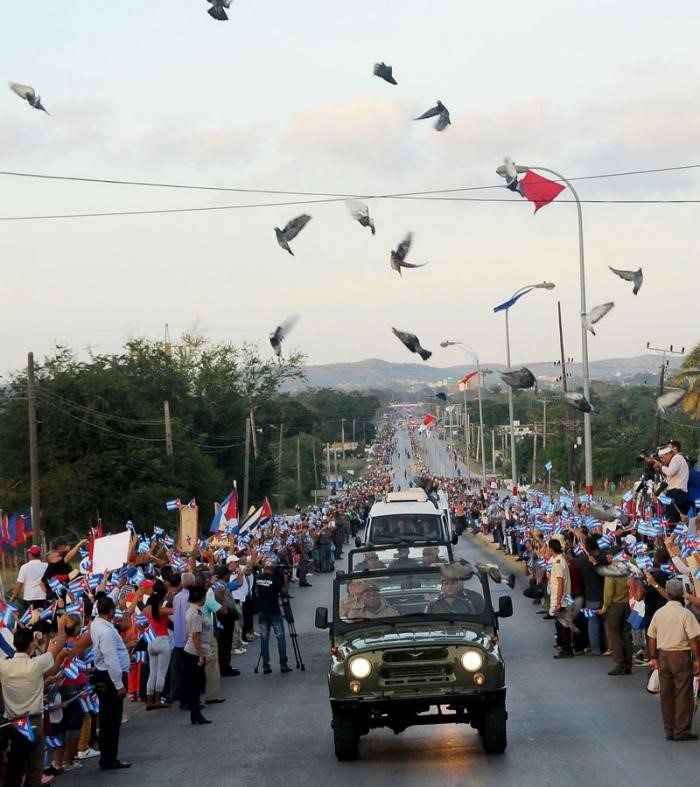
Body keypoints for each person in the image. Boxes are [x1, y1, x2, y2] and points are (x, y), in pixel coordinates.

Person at [0, 618, 69, 787]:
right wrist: (60, 625)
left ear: (14, 644)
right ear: (31, 645)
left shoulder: (4, 666)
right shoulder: (36, 665)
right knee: (34, 768)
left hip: (14, 724)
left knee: (15, 766)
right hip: (34, 722)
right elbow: (57, 646)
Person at [647, 578, 700, 741]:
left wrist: (653, 657)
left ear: (668, 594)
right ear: (681, 595)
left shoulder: (659, 613)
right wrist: (697, 659)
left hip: (663, 656)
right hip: (681, 656)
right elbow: (693, 639)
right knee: (683, 693)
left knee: (667, 693)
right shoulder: (686, 614)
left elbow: (652, 637)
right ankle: (681, 729)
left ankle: (669, 728)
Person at [90, 596, 132, 770]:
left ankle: (108, 757)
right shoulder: (106, 631)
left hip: (106, 675)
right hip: (110, 676)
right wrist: (119, 685)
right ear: (111, 611)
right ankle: (109, 758)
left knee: (108, 718)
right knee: (111, 720)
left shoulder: (96, 624)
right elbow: (111, 659)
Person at [183, 584, 213, 725]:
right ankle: (195, 714)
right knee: (195, 685)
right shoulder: (195, 613)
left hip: (193, 651)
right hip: (194, 653)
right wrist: (200, 655)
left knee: (195, 684)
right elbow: (195, 636)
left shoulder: (194, 610)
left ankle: (195, 714)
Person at [255, 560, 292, 674]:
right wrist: (285, 579)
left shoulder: (258, 578)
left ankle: (266, 665)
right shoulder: (276, 580)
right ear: (273, 569)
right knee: (280, 638)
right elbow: (284, 593)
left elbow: (256, 592)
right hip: (274, 612)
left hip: (262, 613)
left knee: (264, 640)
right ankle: (283, 664)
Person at [600, 558, 633, 675]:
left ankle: (620, 663)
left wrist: (605, 607)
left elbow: (608, 592)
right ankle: (628, 662)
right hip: (627, 604)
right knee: (626, 634)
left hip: (615, 605)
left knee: (615, 635)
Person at [144, 579, 173, 711]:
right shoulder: (162, 610)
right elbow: (176, 610)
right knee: (161, 673)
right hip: (162, 641)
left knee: (153, 673)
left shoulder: (147, 610)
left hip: (151, 641)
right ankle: (157, 699)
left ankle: (149, 701)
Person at [649, 444, 690, 523]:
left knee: (673, 521)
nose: (662, 460)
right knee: (673, 520)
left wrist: (661, 466)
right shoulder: (673, 462)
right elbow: (667, 482)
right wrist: (656, 493)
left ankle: (672, 534)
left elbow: (670, 472)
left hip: (677, 493)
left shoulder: (677, 458)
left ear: (668, 454)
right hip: (675, 493)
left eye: (662, 457)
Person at [548, 539, 574, 659]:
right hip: (564, 599)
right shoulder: (560, 559)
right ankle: (566, 648)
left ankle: (566, 649)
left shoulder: (558, 562)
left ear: (551, 549)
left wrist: (558, 602)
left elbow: (560, 582)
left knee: (562, 627)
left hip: (562, 600)